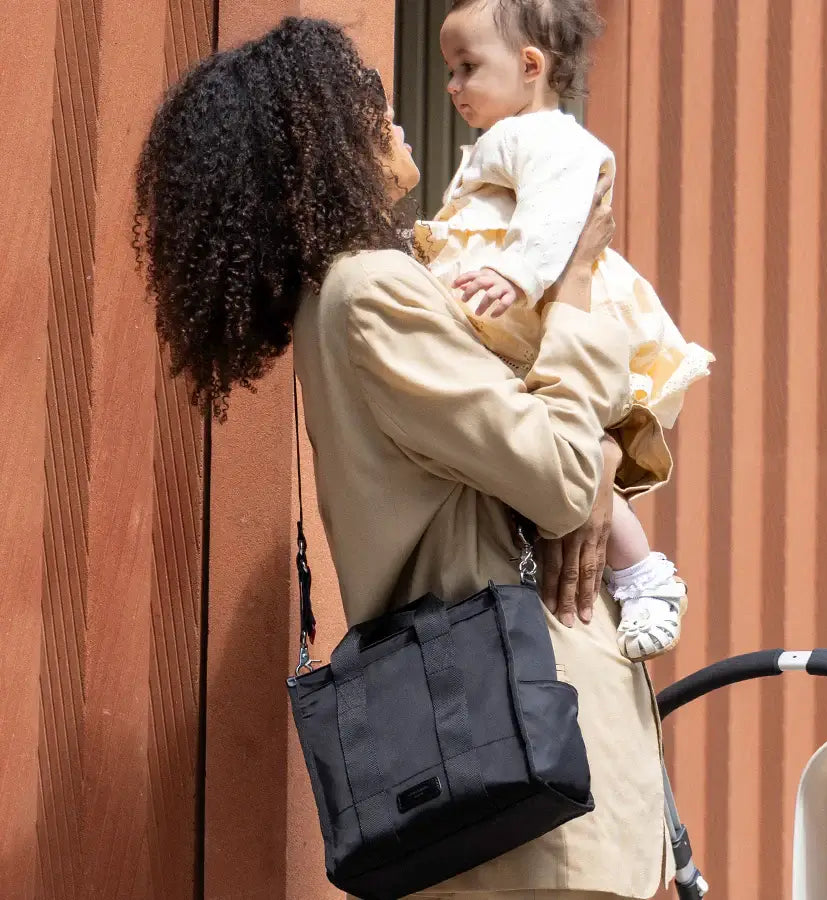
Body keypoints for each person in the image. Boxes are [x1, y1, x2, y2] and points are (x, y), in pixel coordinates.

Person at [135, 16, 673, 899]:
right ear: (318, 146)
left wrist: (600, 453)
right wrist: (574, 284)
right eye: (367, 108)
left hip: (521, 771)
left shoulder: (352, 294)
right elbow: (560, 473)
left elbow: (556, 458)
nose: (396, 117)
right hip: (533, 786)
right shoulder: (371, 292)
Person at [415, 0, 714, 662]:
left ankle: (644, 574)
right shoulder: (505, 140)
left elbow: (559, 209)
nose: (452, 86)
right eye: (448, 70)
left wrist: (519, 271)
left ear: (530, 66)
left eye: (467, 68)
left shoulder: (544, 136)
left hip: (540, 315)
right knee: (558, 459)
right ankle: (629, 574)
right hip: (520, 320)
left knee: (577, 456)